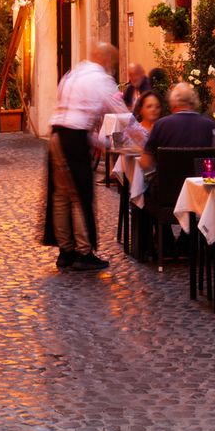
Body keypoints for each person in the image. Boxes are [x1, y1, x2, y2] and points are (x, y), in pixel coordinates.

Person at [43, 43, 128, 271]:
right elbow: (123, 115)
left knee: (61, 196)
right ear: (107, 61)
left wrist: (101, 142)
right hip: (73, 140)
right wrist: (144, 138)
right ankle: (83, 252)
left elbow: (72, 118)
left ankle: (65, 251)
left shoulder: (73, 74)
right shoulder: (101, 80)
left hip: (57, 135)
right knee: (80, 196)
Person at [139, 83, 215, 170]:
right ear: (194, 103)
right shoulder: (210, 125)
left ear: (173, 103)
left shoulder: (160, 125)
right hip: (200, 181)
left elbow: (145, 164)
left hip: (168, 183)